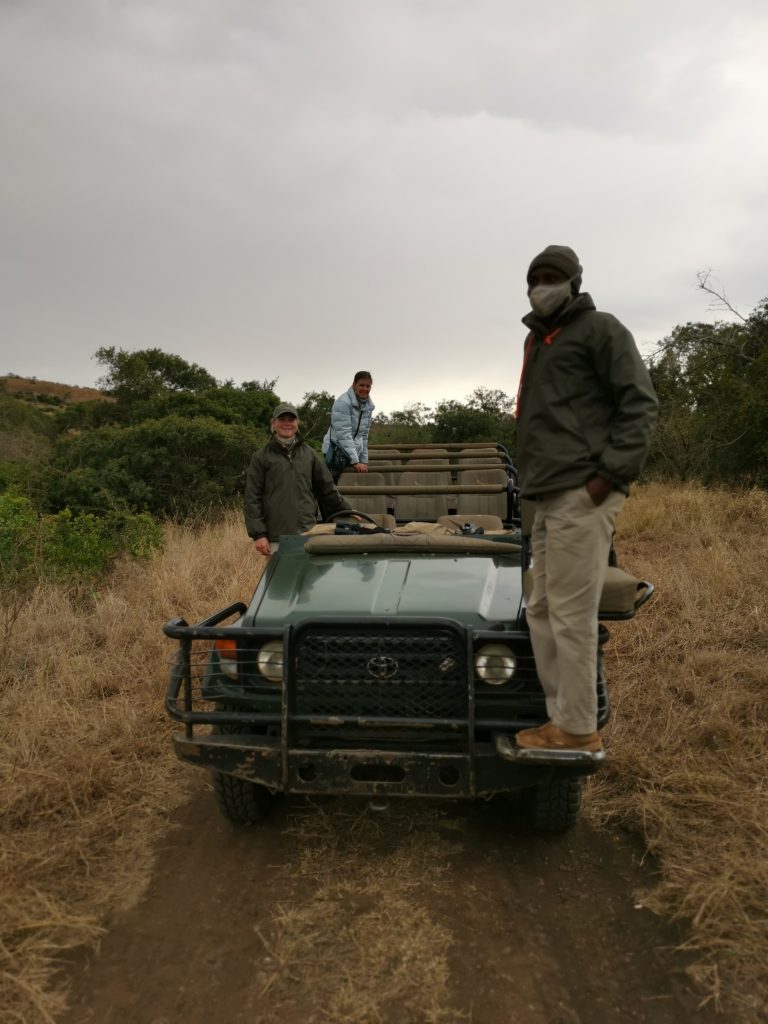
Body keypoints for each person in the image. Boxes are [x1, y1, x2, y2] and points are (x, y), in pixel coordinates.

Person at [514, 245, 658, 753]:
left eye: (551, 277)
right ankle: (562, 718)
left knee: (571, 611)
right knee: (540, 607)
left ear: (574, 282)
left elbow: (640, 403)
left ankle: (577, 729)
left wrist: (609, 476)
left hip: (583, 489)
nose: (541, 286)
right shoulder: (538, 339)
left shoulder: (601, 329)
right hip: (545, 493)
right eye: (535, 278)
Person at [244, 403, 352, 556]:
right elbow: (252, 498)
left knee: (307, 572)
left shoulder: (310, 454)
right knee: (279, 573)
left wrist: (347, 510)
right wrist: (259, 535)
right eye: (282, 419)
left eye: (291, 419)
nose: (287, 423)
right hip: (276, 537)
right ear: (274, 423)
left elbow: (327, 488)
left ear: (297, 423)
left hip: (307, 533)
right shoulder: (260, 457)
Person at [322, 371, 375, 481]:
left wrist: (363, 461)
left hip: (352, 455)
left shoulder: (368, 407)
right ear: (354, 384)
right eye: (361, 385)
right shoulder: (343, 403)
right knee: (330, 487)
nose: (365, 389)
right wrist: (355, 461)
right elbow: (344, 435)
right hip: (336, 453)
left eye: (368, 386)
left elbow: (364, 436)